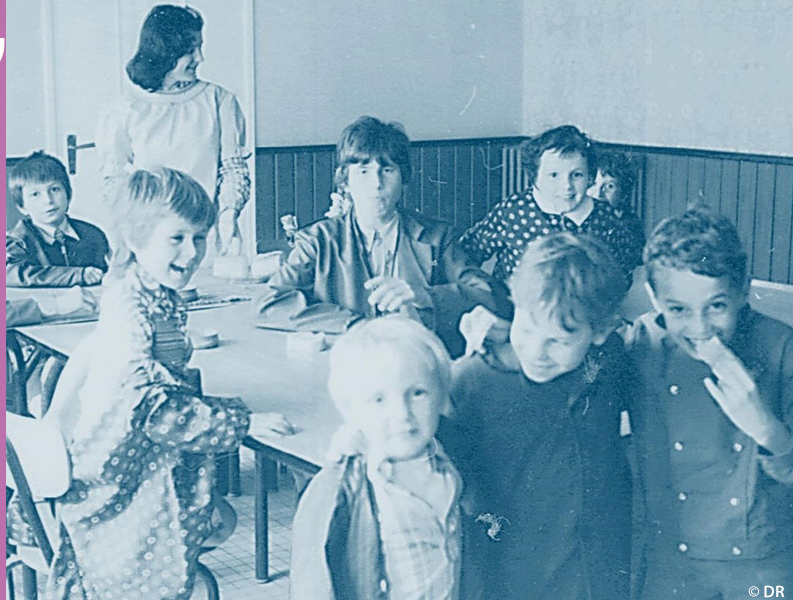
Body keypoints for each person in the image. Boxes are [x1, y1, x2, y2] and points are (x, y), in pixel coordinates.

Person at [37, 167, 293, 600]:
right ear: (135, 238)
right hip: (116, 476)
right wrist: (241, 421)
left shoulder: (156, 293)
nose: (192, 252)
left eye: (200, 237)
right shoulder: (128, 305)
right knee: (194, 531)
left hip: (143, 456)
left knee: (216, 517)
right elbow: (149, 408)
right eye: (176, 238)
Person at [442, 232, 634, 600]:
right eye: (527, 328)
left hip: (594, 575)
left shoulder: (605, 363)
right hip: (508, 577)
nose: (536, 351)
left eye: (557, 340)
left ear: (599, 332)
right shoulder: (471, 380)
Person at [625, 209, 793, 599]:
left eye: (717, 306)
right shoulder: (641, 344)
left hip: (762, 561)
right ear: (653, 297)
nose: (700, 328)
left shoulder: (782, 348)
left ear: (743, 292)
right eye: (678, 310)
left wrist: (767, 429)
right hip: (671, 558)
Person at [255, 116, 498, 357]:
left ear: (404, 179)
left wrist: (426, 295)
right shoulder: (317, 241)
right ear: (344, 182)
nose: (376, 183)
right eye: (363, 171)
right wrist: (355, 324)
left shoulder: (437, 237)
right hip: (344, 360)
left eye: (388, 170)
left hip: (417, 359)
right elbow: (268, 303)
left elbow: (490, 297)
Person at [291, 316, 463, 600]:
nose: (402, 414)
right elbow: (313, 582)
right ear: (350, 410)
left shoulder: (448, 460)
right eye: (379, 400)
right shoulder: (341, 486)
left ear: (440, 395)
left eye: (418, 393)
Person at [97, 4, 250, 256]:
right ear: (164, 52)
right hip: (149, 238)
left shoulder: (219, 100)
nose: (200, 58)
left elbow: (234, 169)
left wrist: (228, 216)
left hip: (205, 236)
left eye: (200, 48)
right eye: (190, 51)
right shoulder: (125, 109)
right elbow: (115, 180)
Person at [457, 125, 642, 291]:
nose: (567, 186)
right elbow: (467, 254)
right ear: (534, 177)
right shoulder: (514, 210)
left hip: (585, 312)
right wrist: (487, 293)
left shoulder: (603, 215)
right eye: (554, 175)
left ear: (590, 177)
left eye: (577, 175)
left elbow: (623, 265)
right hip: (517, 310)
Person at [6, 151, 110, 287]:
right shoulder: (17, 242)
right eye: (35, 194)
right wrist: (78, 275)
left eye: (54, 189)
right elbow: (12, 274)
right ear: (22, 207)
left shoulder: (93, 235)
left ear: (68, 194)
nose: (48, 200)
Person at [588, 151, 647, 259]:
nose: (598, 194)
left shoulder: (629, 227)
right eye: (593, 184)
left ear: (623, 193)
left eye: (609, 186)